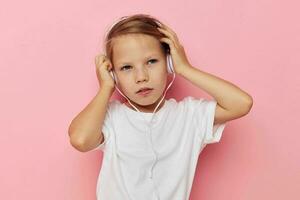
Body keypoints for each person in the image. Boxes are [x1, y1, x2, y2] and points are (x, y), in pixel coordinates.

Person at [68, 13, 253, 200]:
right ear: (113, 74)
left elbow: (241, 104)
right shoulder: (111, 117)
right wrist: (105, 88)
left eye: (151, 62)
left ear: (169, 63)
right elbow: (81, 140)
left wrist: (185, 68)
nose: (141, 77)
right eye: (126, 67)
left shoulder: (189, 116)